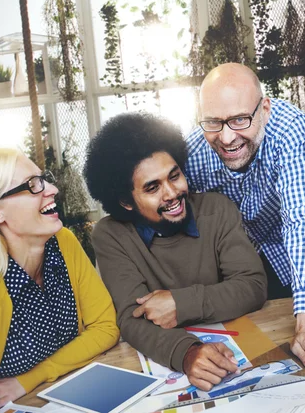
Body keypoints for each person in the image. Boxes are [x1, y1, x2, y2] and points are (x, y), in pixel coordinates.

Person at [185, 63, 305, 378]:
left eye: (239, 120)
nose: (226, 137)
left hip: (292, 262)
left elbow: (302, 223)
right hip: (234, 275)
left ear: (264, 108)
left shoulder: (289, 129)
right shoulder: (192, 152)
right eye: (213, 123)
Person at [84, 113, 267, 392]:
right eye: (152, 187)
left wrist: (180, 304)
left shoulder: (217, 209)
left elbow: (252, 286)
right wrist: (187, 353)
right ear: (126, 201)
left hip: (241, 348)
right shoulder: (111, 235)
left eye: (174, 176)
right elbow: (131, 319)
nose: (171, 193)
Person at [0, 149, 119, 412]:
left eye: (43, 178)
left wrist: (28, 380)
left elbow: (105, 327)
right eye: (32, 185)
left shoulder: (64, 243)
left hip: (71, 394)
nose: (53, 189)